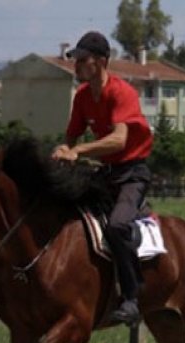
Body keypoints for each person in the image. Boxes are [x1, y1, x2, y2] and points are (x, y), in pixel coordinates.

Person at [51, 31, 153, 326]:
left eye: (82, 59)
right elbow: (71, 136)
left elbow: (119, 140)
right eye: (76, 59)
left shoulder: (122, 93)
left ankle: (132, 298)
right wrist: (62, 149)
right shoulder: (83, 96)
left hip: (132, 174)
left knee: (117, 226)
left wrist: (78, 151)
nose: (76, 65)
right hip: (106, 173)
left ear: (101, 62)